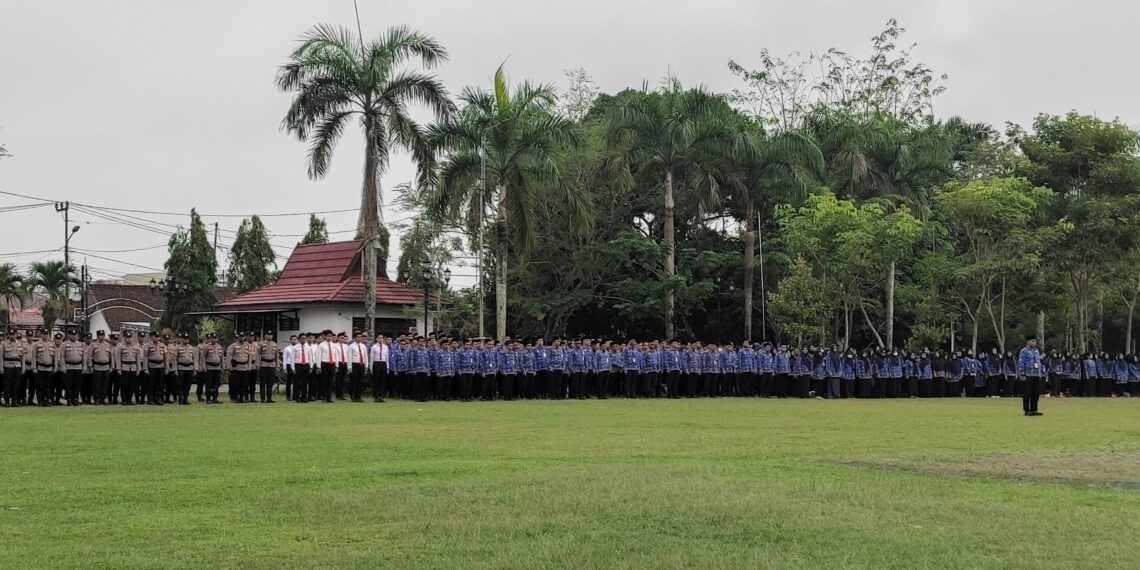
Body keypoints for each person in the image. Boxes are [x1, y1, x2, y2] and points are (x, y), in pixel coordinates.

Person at [114, 331, 143, 405]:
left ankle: (129, 399)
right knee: (124, 385)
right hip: (124, 367)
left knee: (132, 385)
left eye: (130, 337)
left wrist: (138, 369)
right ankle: (124, 400)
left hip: (133, 367)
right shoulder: (121, 347)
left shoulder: (136, 347)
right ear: (124, 338)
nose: (129, 339)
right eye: (127, 337)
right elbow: (118, 358)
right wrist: (119, 369)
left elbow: (138, 359)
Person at [1017, 336, 1044, 416]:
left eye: (1035, 341)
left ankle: (1034, 409)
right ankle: (1026, 410)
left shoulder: (1036, 351)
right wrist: (1022, 373)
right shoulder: (1024, 351)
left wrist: (1040, 373)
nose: (1034, 343)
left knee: (1036, 393)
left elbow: (1038, 362)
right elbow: (1021, 362)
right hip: (1027, 374)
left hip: (1036, 374)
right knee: (1027, 393)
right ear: (1028, 342)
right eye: (1032, 341)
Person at [197, 333, 224, 404]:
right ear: (210, 339)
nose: (214, 339)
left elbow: (222, 358)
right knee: (208, 384)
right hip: (209, 368)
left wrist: (223, 367)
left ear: (217, 338)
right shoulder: (206, 347)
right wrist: (204, 367)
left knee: (216, 384)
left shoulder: (220, 347)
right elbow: (203, 358)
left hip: (217, 368)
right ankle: (208, 399)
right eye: (212, 338)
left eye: (215, 337)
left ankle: (215, 398)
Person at [2, 329, 24, 407]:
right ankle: (7, 401)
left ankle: (14, 401)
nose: (12, 336)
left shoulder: (20, 344)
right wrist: (1, 368)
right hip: (7, 365)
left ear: (16, 334)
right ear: (8, 335)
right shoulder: (4, 344)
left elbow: (23, 357)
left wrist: (23, 368)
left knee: (16, 384)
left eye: (13, 334)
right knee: (7, 384)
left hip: (17, 365)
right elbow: (1, 356)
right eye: (10, 334)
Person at [257, 331, 279, 403]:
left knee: (271, 382)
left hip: (272, 365)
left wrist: (277, 365)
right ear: (265, 336)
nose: (270, 336)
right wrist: (258, 364)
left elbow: (276, 356)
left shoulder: (274, 344)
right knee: (263, 382)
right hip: (264, 364)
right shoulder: (261, 344)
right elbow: (258, 354)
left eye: (271, 335)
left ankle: (269, 398)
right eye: (268, 335)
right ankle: (262, 398)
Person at [370, 335, 390, 402]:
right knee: (376, 381)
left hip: (383, 363)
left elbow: (387, 358)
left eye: (382, 338)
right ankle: (376, 396)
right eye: (379, 338)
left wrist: (387, 367)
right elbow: (372, 358)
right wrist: (371, 368)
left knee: (383, 381)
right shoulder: (374, 347)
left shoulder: (386, 347)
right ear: (376, 339)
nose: (381, 339)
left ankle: (381, 396)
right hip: (376, 363)